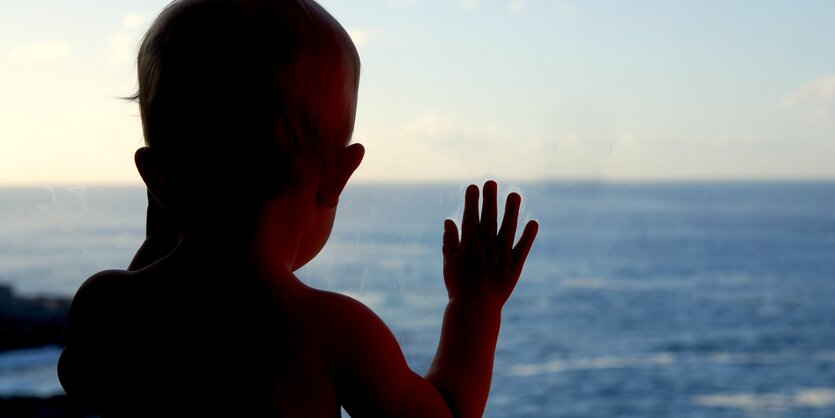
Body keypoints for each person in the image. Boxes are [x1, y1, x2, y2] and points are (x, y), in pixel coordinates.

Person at [57, 0, 538, 417]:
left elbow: (83, 385)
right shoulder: (334, 332)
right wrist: (475, 302)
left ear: (157, 181)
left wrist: (161, 236)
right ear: (337, 178)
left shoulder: (108, 306)